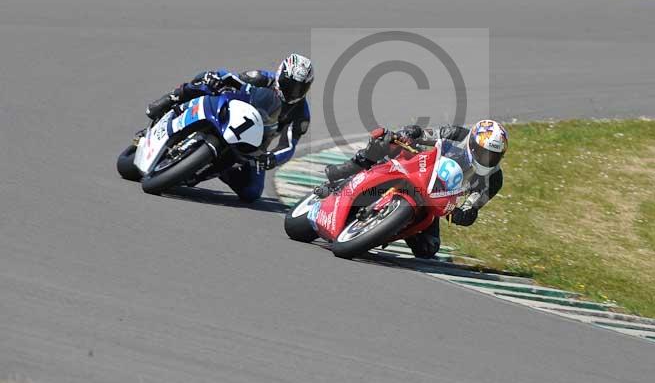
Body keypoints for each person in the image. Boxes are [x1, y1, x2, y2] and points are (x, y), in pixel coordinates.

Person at [317, 120, 507, 259]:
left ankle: (384, 229)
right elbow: (426, 135)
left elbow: (473, 206)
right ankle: (348, 171)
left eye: (493, 156)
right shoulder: (458, 135)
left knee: (428, 249)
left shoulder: (494, 180)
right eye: (484, 153)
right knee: (386, 142)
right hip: (417, 167)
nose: (487, 159)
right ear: (472, 144)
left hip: (434, 199)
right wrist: (411, 133)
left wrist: (464, 215)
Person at [145, 53, 314, 203]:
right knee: (207, 79)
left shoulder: (301, 114)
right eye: (290, 83)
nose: (293, 90)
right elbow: (232, 79)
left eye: (300, 87)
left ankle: (223, 169)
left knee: (252, 192)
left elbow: (289, 145)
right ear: (280, 74)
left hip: (255, 144)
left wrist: (272, 158)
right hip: (230, 116)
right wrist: (218, 80)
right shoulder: (261, 78)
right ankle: (171, 99)